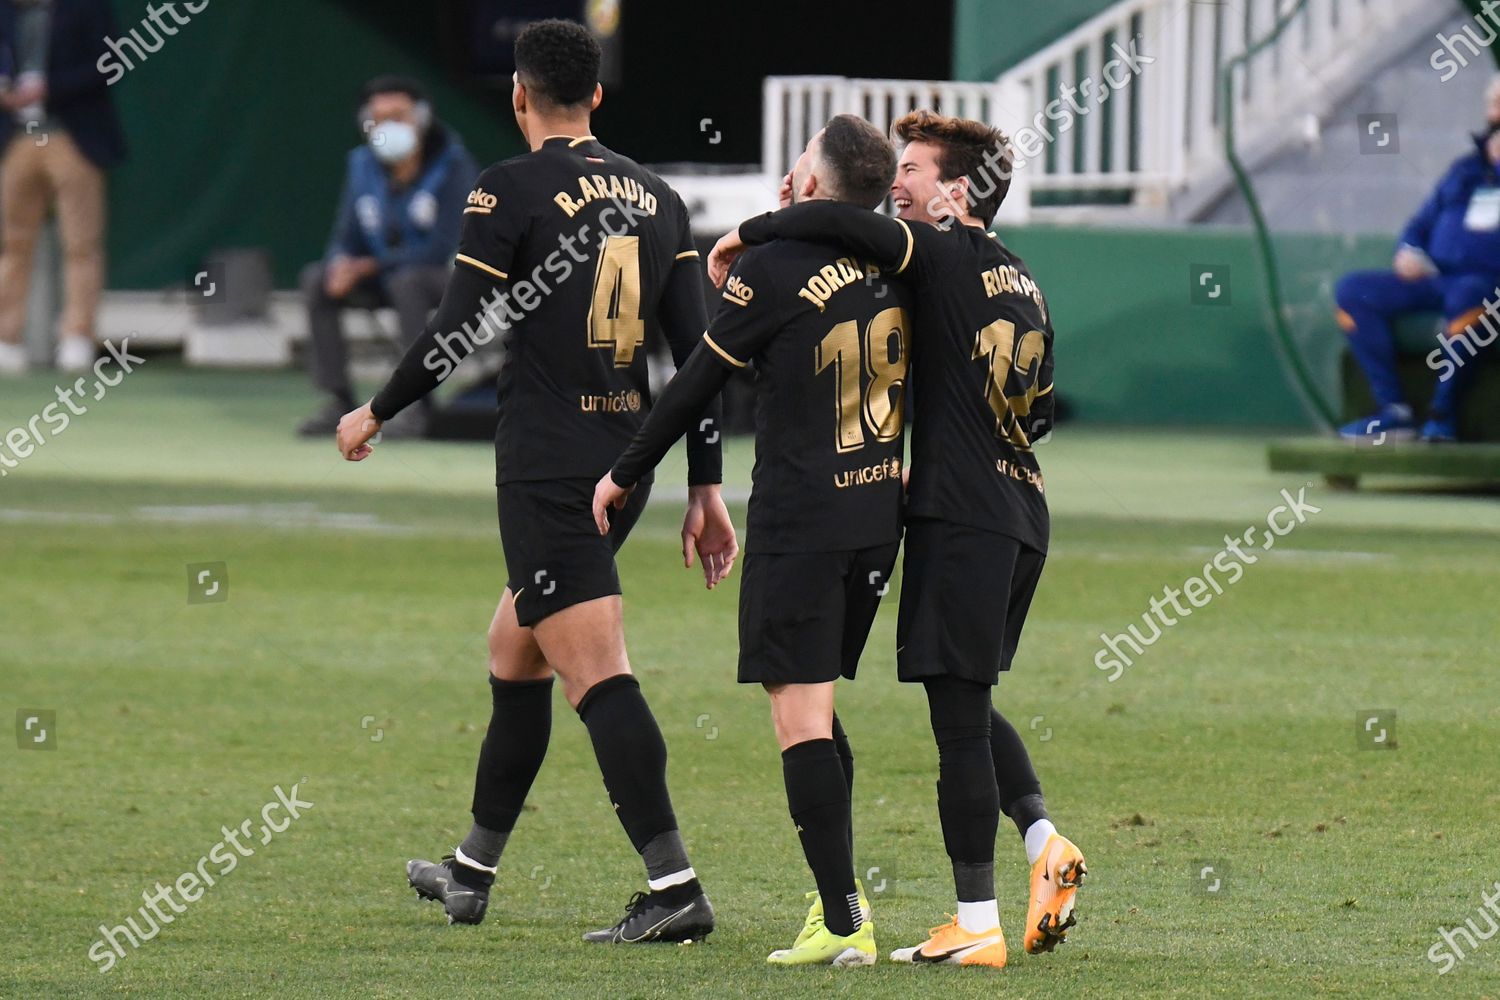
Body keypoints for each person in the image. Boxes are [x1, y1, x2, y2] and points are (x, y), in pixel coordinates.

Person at [335, 19, 737, 944]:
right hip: (622, 468)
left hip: (552, 468)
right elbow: (703, 355)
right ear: (596, 95)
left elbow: (453, 330)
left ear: (519, 96)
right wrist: (706, 487)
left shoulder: (505, 189)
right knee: (514, 647)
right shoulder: (658, 194)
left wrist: (376, 410)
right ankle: (471, 871)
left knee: (596, 670)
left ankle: (676, 888)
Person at [710, 109, 1085, 968]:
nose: (900, 185)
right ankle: (1042, 842)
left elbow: (843, 221)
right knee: (965, 695)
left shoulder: (942, 251)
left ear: (957, 192)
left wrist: (747, 232)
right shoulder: (1023, 280)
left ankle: (977, 922)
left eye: (912, 169)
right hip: (1023, 510)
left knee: (955, 722)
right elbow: (1041, 414)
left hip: (964, 518)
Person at [594, 115, 913, 966]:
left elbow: (695, 382)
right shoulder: (899, 262)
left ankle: (845, 924)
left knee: (798, 716)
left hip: (803, 521)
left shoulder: (771, 269)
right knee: (817, 708)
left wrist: (625, 471)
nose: (785, 179)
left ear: (815, 184)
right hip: (877, 521)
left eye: (798, 167)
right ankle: (836, 900)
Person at [298, 76, 476, 437]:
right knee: (317, 279)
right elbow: (346, 235)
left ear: (421, 119)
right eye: (379, 118)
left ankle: (417, 405)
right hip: (382, 275)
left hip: (446, 278)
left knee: (406, 283)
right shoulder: (360, 165)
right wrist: (340, 264)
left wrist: (371, 265)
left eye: (399, 116)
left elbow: (443, 246)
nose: (389, 126)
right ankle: (338, 400)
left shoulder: (453, 165)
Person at [1334, 80, 1500, 443]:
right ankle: (1394, 412)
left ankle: (1442, 415)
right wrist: (1408, 251)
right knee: (1353, 292)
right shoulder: (1463, 171)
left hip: (1486, 286)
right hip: (1435, 277)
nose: (1496, 114)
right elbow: (1420, 223)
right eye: (1494, 105)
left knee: (1470, 295)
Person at [0, 0, 125, 376]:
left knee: (81, 243)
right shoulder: (5, 12)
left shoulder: (87, 9)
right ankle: (6, 339)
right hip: (17, 139)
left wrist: (48, 88)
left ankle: (77, 338)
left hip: (73, 137)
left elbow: (111, 63)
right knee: (13, 244)